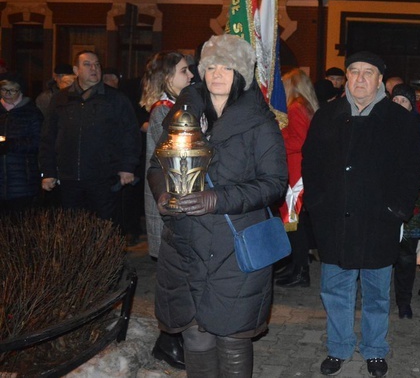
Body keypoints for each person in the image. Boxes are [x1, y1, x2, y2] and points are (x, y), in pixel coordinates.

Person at [147, 34, 287, 376]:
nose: (218, 74)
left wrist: (217, 198)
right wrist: (163, 195)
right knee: (195, 337)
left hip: (234, 248)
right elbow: (155, 166)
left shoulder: (259, 122)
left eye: (228, 67)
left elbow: (273, 184)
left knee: (232, 338)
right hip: (185, 245)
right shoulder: (184, 114)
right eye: (211, 66)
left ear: (242, 74)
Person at [302, 51, 420, 377]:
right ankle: (339, 347)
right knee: (335, 290)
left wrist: (396, 210)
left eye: (367, 73)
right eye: (353, 71)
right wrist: (318, 204)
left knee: (376, 294)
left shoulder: (400, 120)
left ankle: (374, 349)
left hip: (377, 221)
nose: (359, 78)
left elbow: (411, 170)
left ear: (380, 79)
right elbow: (310, 165)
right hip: (335, 220)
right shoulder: (327, 115)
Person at [39, 50, 141, 230]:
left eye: (97, 64)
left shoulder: (115, 99)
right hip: (69, 179)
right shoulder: (60, 99)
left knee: (104, 228)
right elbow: (49, 137)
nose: (94, 68)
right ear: (76, 70)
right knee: (72, 229)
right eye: (87, 64)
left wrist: (127, 167)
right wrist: (48, 171)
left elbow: (130, 134)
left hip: (104, 178)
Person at [139, 50, 194, 370]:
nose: (190, 76)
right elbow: (166, 163)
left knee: (178, 278)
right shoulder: (164, 110)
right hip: (168, 203)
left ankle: (173, 339)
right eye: (184, 71)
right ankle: (167, 342)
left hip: (175, 203)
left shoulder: (175, 107)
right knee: (172, 281)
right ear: (168, 78)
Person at [390, 83, 420, 319]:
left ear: (411, 105)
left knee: (406, 255)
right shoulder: (381, 125)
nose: (399, 105)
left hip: (412, 199)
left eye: (403, 101)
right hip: (384, 199)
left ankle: (403, 301)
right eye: (395, 101)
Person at [276, 68, 319, 288]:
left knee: (295, 225)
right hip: (299, 170)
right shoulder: (306, 107)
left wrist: (276, 140)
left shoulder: (296, 108)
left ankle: (300, 270)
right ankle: (296, 266)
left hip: (296, 174)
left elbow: (299, 141)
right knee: (295, 224)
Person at [0, 72, 44, 213]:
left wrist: (10, 144)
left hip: (23, 182)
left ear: (20, 91)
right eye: (3, 89)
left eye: (12, 90)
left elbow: (38, 142)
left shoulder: (31, 113)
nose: (7, 93)